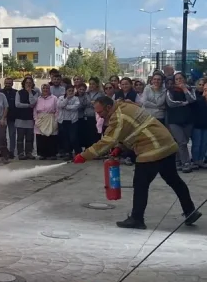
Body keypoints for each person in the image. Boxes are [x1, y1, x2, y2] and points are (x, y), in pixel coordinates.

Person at [74, 97, 202, 229]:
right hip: (167, 144)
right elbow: (133, 130)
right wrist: (120, 147)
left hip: (152, 149)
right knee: (174, 180)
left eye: (100, 112)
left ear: (108, 107)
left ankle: (137, 219)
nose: (99, 115)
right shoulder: (125, 107)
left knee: (140, 184)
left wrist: (84, 156)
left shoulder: (118, 116)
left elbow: (107, 141)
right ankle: (190, 211)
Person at [166, 72, 196, 173]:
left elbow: (192, 100)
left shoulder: (190, 89)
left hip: (188, 120)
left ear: (184, 79)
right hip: (174, 120)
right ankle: (186, 163)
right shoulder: (170, 90)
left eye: (180, 78)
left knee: (183, 142)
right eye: (177, 79)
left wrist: (184, 89)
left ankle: (178, 160)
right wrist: (183, 103)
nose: (179, 81)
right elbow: (170, 103)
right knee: (182, 142)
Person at [15, 77, 38, 160]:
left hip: (30, 119)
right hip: (20, 118)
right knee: (20, 138)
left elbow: (33, 102)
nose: (28, 84)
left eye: (30, 82)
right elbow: (17, 104)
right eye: (27, 82)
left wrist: (29, 93)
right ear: (24, 83)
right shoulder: (19, 93)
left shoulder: (35, 93)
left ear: (32, 84)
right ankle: (20, 153)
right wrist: (28, 106)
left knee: (30, 138)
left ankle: (29, 153)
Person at [34, 84, 58, 159]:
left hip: (51, 118)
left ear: (49, 89)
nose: (45, 89)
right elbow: (34, 110)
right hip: (40, 119)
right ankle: (42, 154)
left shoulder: (54, 98)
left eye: (47, 88)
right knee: (41, 137)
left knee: (51, 136)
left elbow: (57, 110)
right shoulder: (38, 99)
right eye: (43, 88)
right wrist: (36, 119)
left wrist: (56, 119)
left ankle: (52, 154)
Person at [57, 85, 81, 160]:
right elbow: (60, 105)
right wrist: (67, 99)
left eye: (72, 91)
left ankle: (78, 152)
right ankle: (68, 153)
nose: (70, 92)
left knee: (73, 138)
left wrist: (66, 107)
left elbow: (75, 107)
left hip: (73, 121)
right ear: (66, 91)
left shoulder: (76, 98)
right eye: (69, 91)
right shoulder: (61, 98)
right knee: (65, 138)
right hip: (63, 120)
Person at [191, 80, 207, 169]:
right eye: (200, 85)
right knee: (197, 144)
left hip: (205, 124)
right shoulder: (194, 96)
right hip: (196, 124)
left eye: (203, 85)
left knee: (204, 144)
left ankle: (201, 160)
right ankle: (195, 160)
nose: (201, 86)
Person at [83, 78, 103, 148]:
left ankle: (96, 149)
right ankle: (88, 149)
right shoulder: (86, 93)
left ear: (97, 84)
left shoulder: (100, 94)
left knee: (95, 133)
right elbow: (84, 103)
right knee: (87, 133)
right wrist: (92, 103)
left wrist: (93, 104)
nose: (91, 85)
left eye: (93, 84)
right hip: (87, 115)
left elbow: (99, 104)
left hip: (96, 116)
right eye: (90, 84)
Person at [0, 78, 17, 157]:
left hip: (12, 117)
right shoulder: (0, 92)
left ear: (12, 84)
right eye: (6, 83)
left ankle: (11, 151)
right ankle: (3, 151)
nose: (8, 85)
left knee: (12, 135)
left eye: (9, 83)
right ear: (4, 83)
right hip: (2, 117)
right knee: (2, 135)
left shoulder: (16, 93)